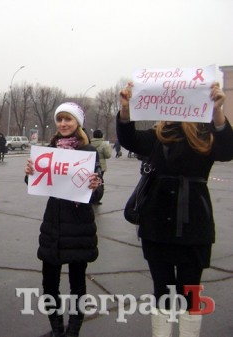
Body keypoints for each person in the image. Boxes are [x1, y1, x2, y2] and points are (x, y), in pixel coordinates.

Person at [117, 82, 233, 337]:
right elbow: (129, 139)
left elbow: (227, 150)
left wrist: (217, 111)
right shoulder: (159, 134)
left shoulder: (205, 134)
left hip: (195, 223)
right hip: (157, 224)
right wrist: (126, 110)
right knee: (162, 289)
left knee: (190, 290)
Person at [24, 102, 102, 337]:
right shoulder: (48, 149)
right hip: (54, 223)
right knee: (49, 284)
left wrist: (95, 186)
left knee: (77, 284)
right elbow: (36, 184)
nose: (63, 124)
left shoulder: (88, 152)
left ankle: (74, 330)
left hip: (79, 225)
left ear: (78, 123)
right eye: (60, 119)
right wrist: (29, 174)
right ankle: (57, 328)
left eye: (68, 119)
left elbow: (96, 194)